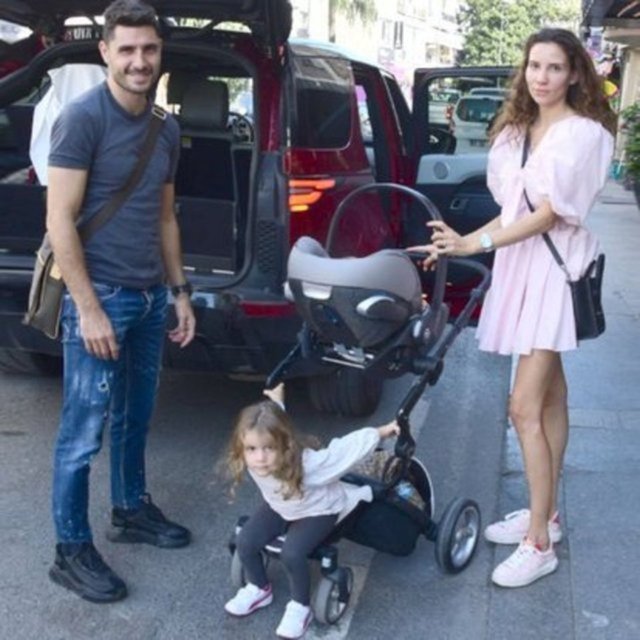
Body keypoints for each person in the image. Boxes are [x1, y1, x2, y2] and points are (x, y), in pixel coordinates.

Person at [408, 28, 615, 588]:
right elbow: (514, 212)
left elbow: (548, 215)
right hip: (522, 269)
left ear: (575, 73)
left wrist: (473, 245)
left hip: (553, 275)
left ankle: (539, 543)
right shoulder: (516, 132)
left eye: (555, 67)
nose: (542, 77)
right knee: (550, 398)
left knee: (523, 408)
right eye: (534, 66)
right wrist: (464, 239)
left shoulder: (584, 135)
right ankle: (547, 514)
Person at [46, 0, 196, 603]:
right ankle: (70, 549)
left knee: (136, 416)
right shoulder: (82, 119)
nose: (139, 60)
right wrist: (87, 308)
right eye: (127, 49)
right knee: (82, 434)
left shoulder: (165, 127)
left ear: (160, 53)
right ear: (105, 51)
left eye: (149, 49)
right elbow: (59, 219)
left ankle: (130, 510)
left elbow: (165, 218)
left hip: (150, 296)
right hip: (101, 296)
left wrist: (179, 293)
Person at [223, 383, 399, 639]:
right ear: (242, 446)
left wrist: (380, 432)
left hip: (318, 510)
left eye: (268, 449)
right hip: (282, 505)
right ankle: (259, 588)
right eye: (251, 449)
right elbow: (276, 424)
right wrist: (277, 401)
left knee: (292, 553)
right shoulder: (253, 455)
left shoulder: (308, 465)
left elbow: (343, 451)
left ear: (286, 446)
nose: (260, 458)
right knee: (246, 541)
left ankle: (300, 606)